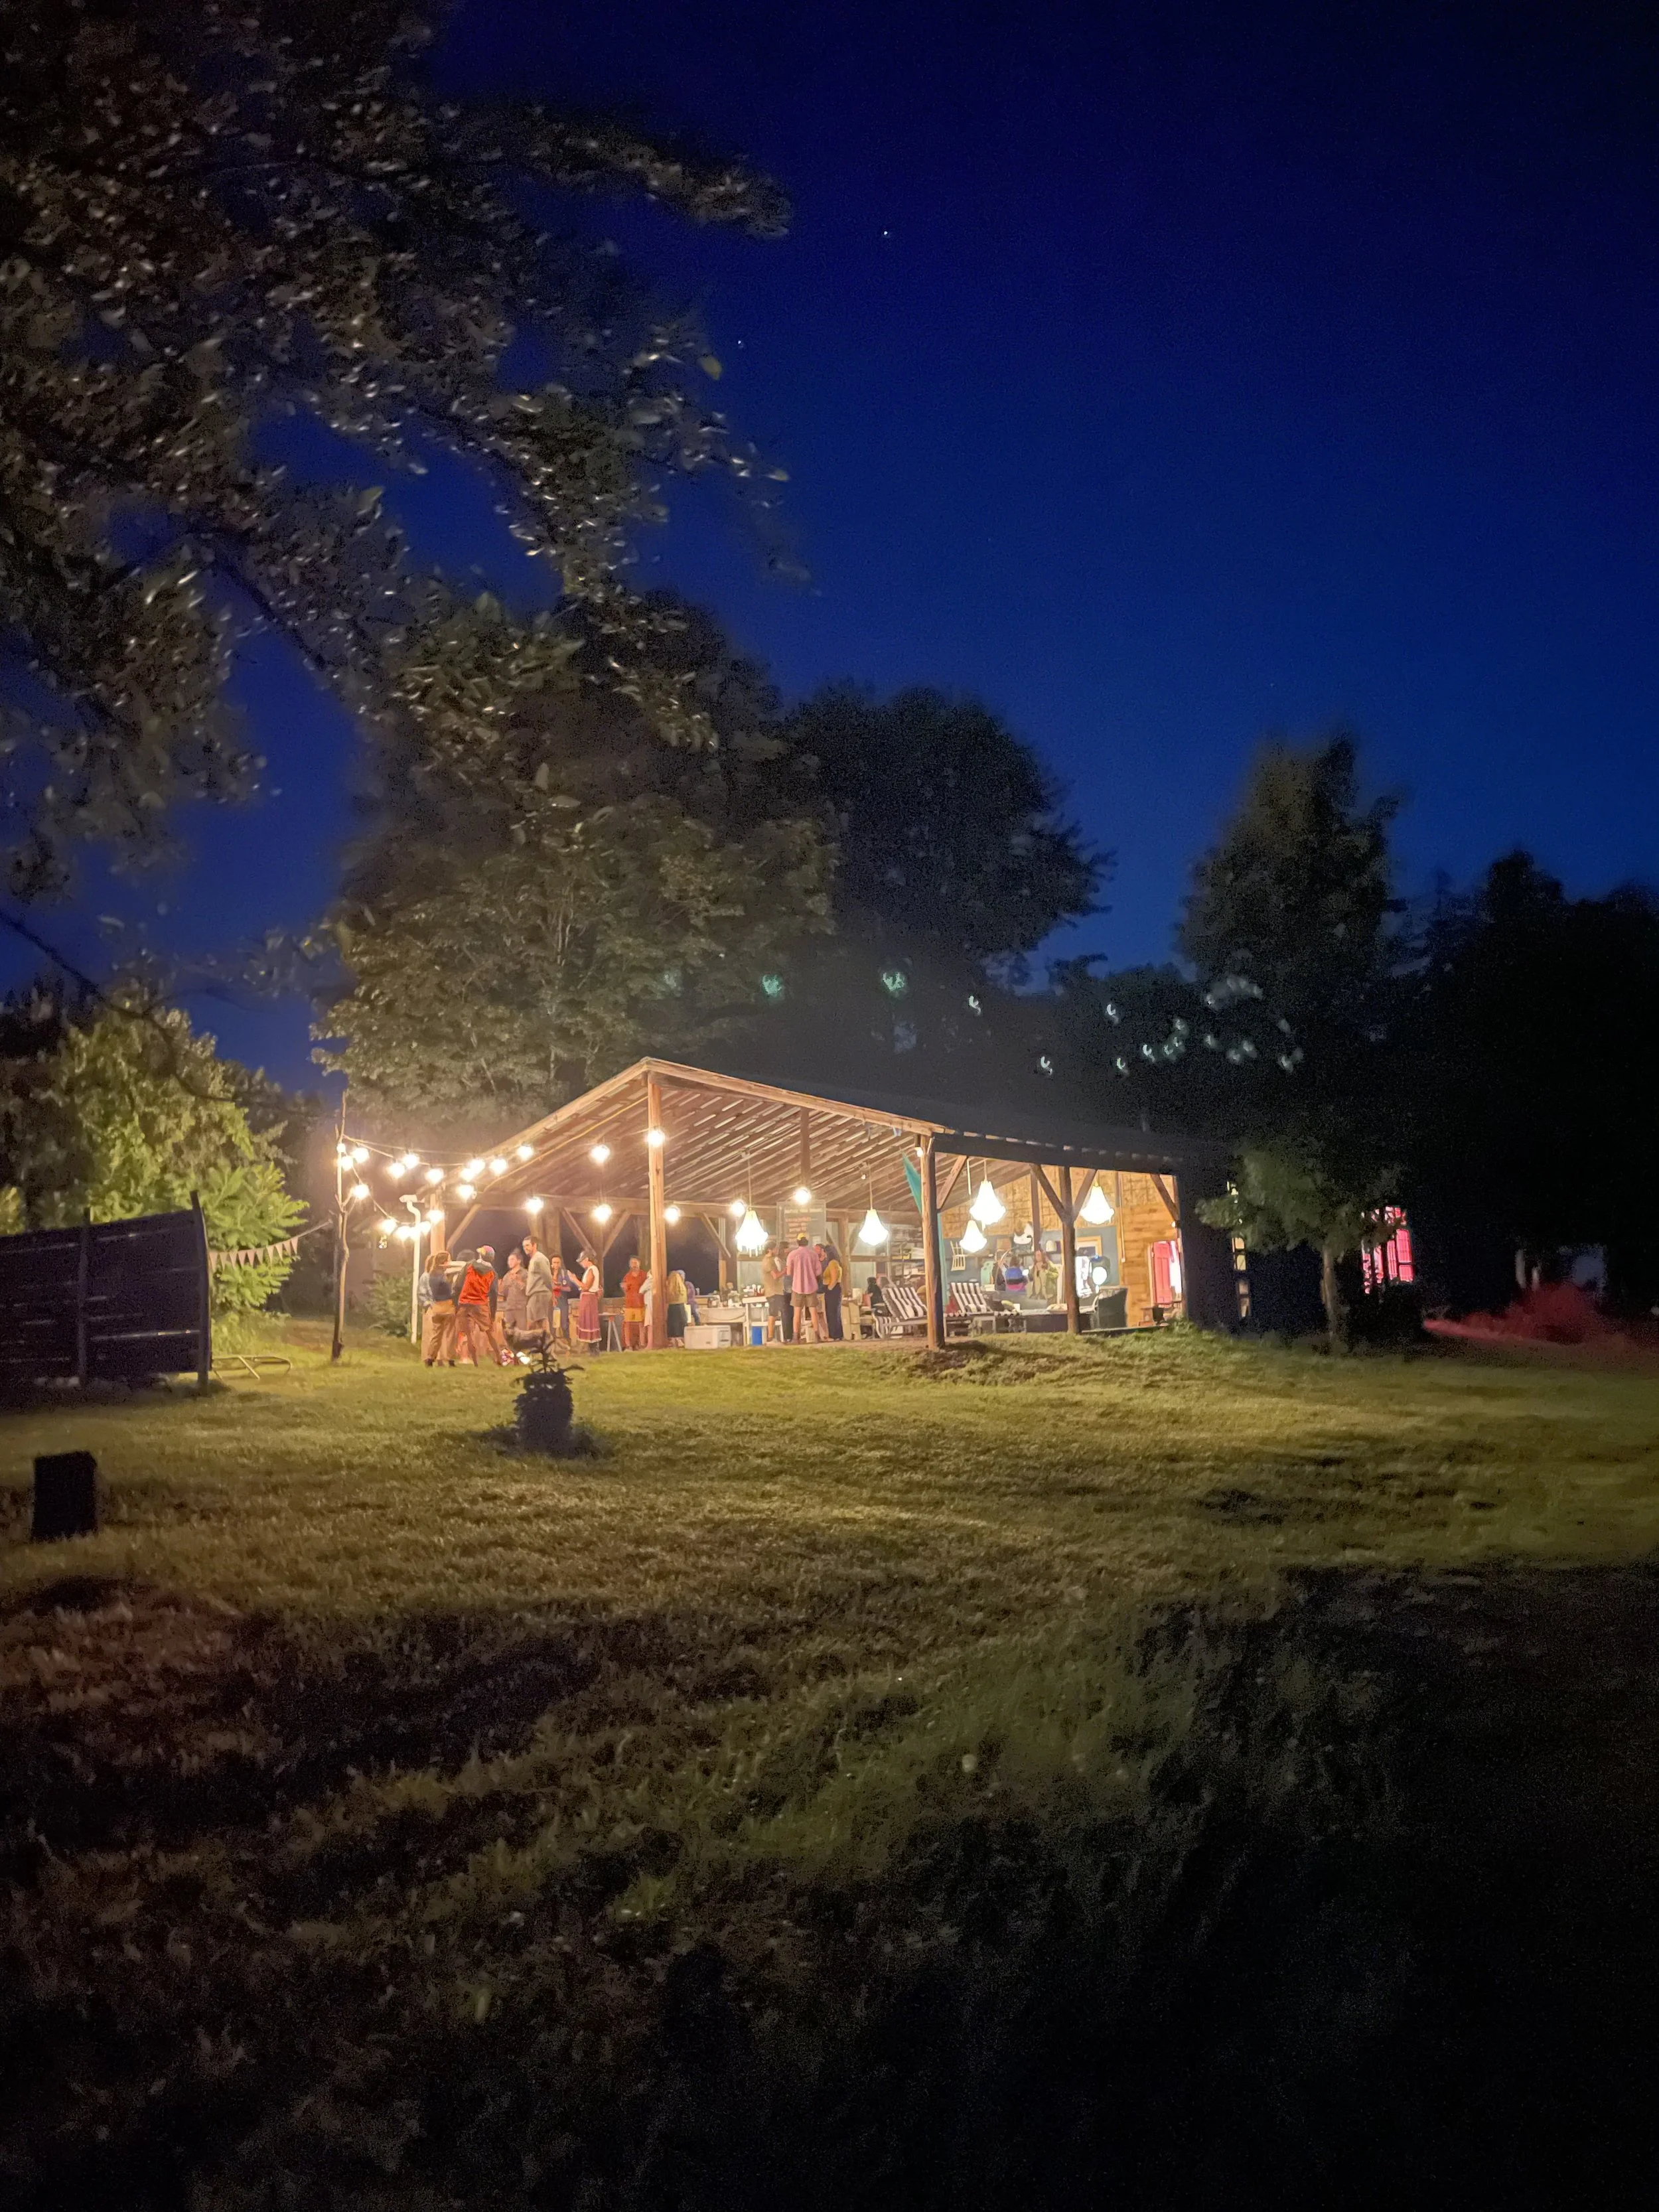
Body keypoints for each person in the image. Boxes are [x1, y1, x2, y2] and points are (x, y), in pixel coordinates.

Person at [421, 1248, 459, 1366]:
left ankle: (430, 1358)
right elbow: (462, 1267)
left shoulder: (431, 1275)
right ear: (445, 1262)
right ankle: (450, 1359)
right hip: (447, 1306)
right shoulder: (445, 1275)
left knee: (436, 1334)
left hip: (436, 1307)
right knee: (450, 1335)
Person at [785, 1232, 823, 1343]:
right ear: (808, 1242)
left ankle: (796, 1338)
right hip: (811, 1287)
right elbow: (818, 1272)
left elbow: (788, 1272)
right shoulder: (813, 1254)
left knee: (797, 1313)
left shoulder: (792, 1254)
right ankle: (817, 1337)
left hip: (797, 1287)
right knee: (813, 1312)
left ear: (797, 1242)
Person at [522, 1235, 553, 1349]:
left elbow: (547, 1277)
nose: (525, 1248)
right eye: (524, 1246)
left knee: (541, 1322)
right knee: (532, 1323)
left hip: (540, 1293)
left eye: (527, 1245)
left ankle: (548, 1348)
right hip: (533, 1294)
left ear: (534, 1245)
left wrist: (551, 1292)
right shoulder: (534, 1259)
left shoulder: (540, 1258)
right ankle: (538, 1347)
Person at [500, 1248, 529, 1347]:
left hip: (521, 1307)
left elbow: (528, 1290)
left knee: (521, 1332)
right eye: (509, 1260)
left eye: (512, 1260)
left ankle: (522, 1354)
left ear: (519, 1261)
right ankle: (510, 1353)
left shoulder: (525, 1274)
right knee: (508, 1331)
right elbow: (504, 1293)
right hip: (509, 1307)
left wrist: (519, 1281)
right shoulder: (507, 1276)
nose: (510, 1262)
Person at [760, 1244, 790, 1343]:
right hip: (773, 1291)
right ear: (770, 1249)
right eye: (775, 1249)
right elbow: (775, 1276)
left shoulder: (770, 1260)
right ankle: (770, 1336)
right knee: (773, 1313)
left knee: (776, 1313)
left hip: (774, 1290)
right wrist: (785, 1271)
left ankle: (774, 1336)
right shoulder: (769, 1261)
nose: (777, 1250)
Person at [575, 1248, 603, 1347]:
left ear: (587, 1259)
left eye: (582, 1261)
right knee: (587, 1321)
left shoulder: (592, 1269)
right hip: (587, 1298)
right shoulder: (590, 1270)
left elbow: (586, 1287)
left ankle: (594, 1348)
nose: (582, 1263)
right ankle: (591, 1348)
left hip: (589, 1298)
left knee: (590, 1321)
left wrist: (575, 1280)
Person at [818, 1241, 845, 1341]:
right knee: (833, 1312)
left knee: (832, 1313)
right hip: (834, 1290)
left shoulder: (832, 1263)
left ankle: (835, 1335)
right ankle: (836, 1334)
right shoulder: (835, 1263)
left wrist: (829, 1289)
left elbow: (834, 1279)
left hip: (833, 1290)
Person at [621, 1252, 646, 1349]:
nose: (634, 1264)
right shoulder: (627, 1276)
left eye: (636, 1262)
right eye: (632, 1263)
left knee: (641, 1324)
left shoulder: (644, 1275)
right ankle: (628, 1345)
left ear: (639, 1263)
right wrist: (624, 1287)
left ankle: (642, 1344)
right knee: (627, 1324)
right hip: (629, 1304)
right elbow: (625, 1288)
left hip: (640, 1303)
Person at [665, 1267, 689, 1347]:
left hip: (672, 1307)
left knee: (673, 1323)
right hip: (680, 1306)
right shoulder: (682, 1288)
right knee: (681, 1322)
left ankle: (673, 1341)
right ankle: (680, 1340)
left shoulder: (668, 1289)